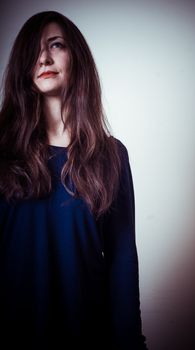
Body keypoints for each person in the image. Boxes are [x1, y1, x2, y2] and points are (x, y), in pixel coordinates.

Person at [0, 10, 148, 350]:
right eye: (34, 51)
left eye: (56, 45)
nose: (44, 57)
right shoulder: (2, 150)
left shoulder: (111, 155)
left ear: (75, 57)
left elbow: (122, 259)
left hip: (88, 333)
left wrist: (130, 343)